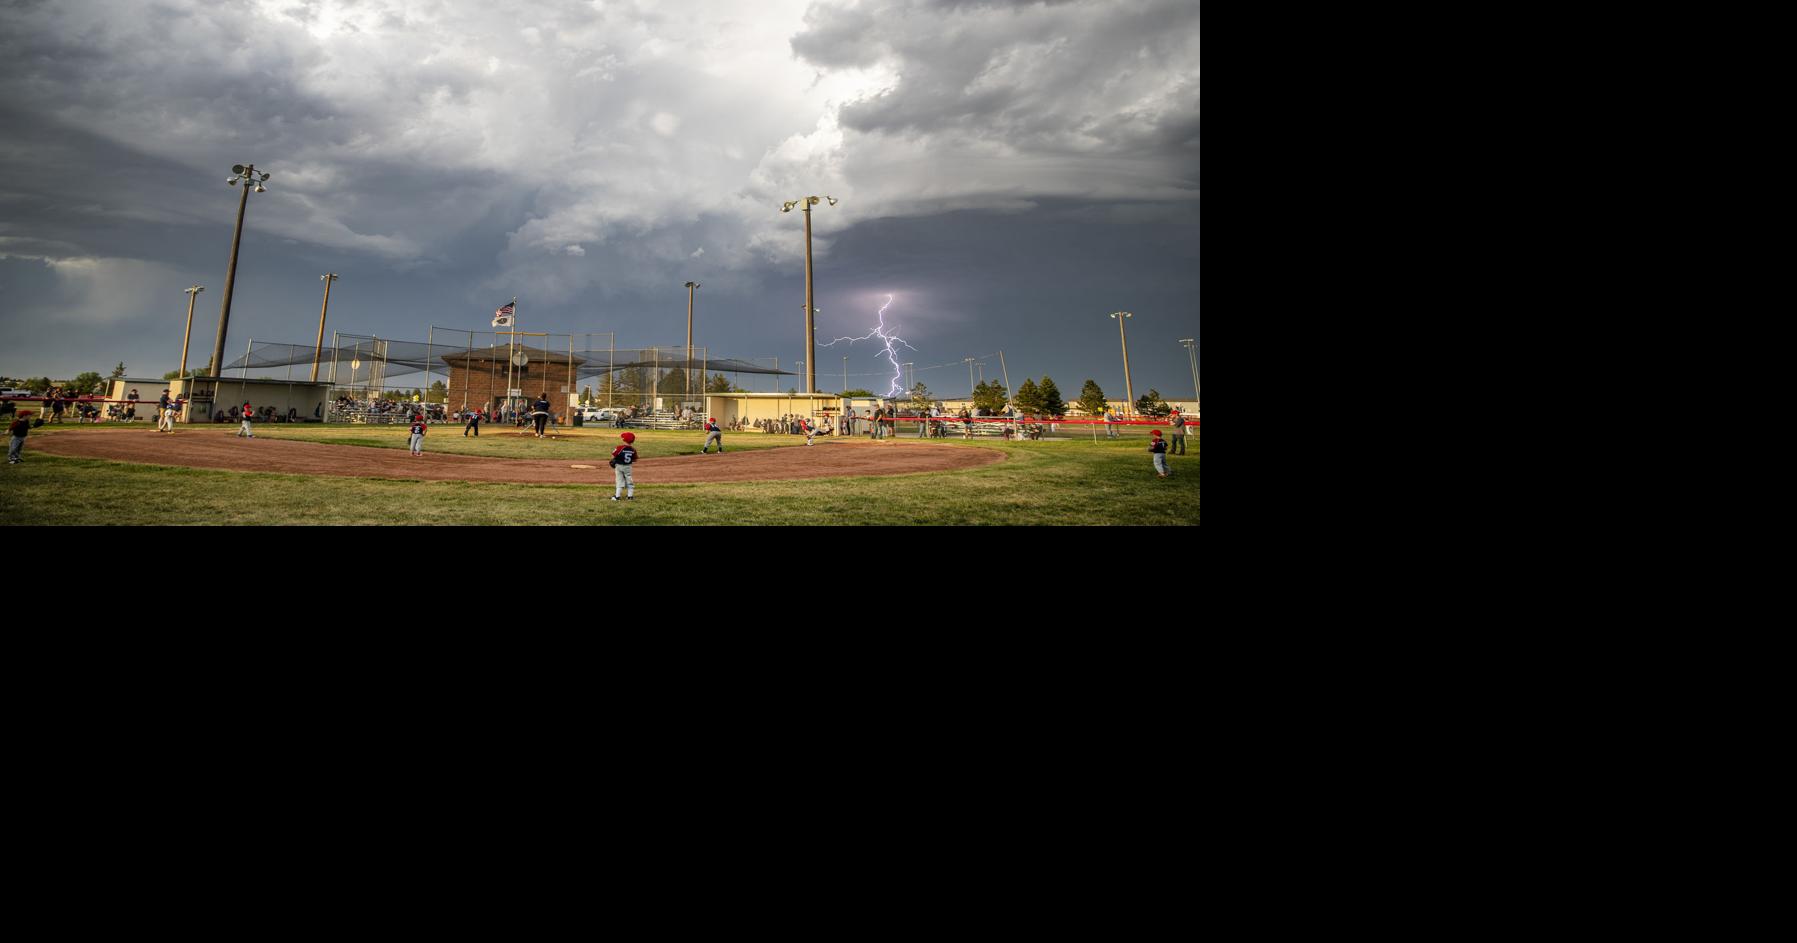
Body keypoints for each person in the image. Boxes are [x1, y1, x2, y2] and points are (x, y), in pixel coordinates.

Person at [609, 431, 638, 501]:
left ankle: (617, 497)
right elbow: (635, 459)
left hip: (619, 466)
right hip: (628, 467)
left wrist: (614, 461)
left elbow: (613, 455)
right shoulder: (633, 449)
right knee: (629, 480)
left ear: (623, 439)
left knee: (619, 481)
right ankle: (630, 496)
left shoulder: (620, 447)